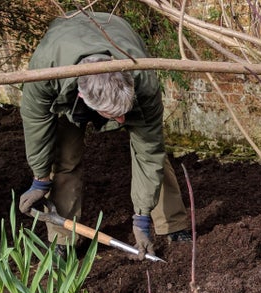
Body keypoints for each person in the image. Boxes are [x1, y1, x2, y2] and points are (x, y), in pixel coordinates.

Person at [18, 11, 191, 260]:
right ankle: (63, 239)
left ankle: (173, 224)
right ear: (83, 97)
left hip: (116, 33)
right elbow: (36, 123)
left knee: (154, 154)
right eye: (113, 115)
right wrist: (40, 179)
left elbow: (149, 152)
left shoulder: (143, 80)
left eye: (124, 113)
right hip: (64, 71)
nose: (121, 122)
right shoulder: (47, 71)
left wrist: (141, 221)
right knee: (65, 159)